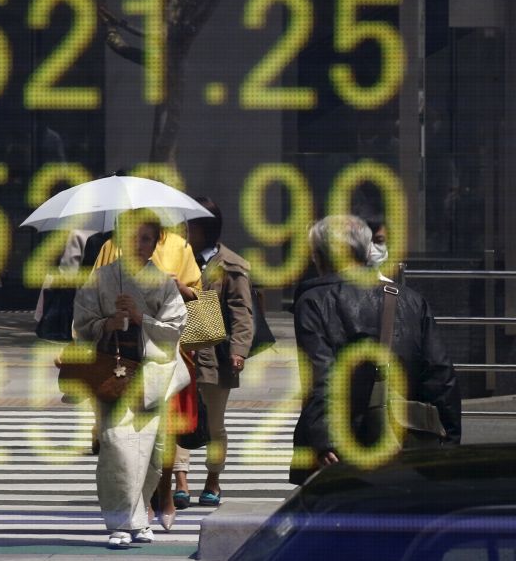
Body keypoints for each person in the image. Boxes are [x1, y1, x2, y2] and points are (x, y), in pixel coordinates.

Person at [290, 215, 462, 485]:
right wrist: (449, 442)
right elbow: (441, 374)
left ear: (320, 256)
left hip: (341, 446)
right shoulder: (410, 300)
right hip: (405, 440)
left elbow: (319, 375)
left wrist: (324, 440)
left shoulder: (314, 302)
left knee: (342, 521)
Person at [74, 209, 189, 549]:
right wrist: (107, 323)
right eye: (132, 237)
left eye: (146, 238)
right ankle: (119, 522)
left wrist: (141, 318)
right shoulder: (100, 278)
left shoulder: (164, 284)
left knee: (152, 453)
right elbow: (82, 322)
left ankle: (137, 518)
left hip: (151, 374)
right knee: (116, 446)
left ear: (156, 242)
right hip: (112, 372)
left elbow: (176, 327)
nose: (139, 244)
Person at [93, 219, 201, 529]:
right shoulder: (110, 248)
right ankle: (136, 503)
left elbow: (201, 300)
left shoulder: (180, 246)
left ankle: (164, 494)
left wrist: (179, 287)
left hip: (165, 356)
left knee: (163, 435)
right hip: (120, 358)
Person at [171, 197, 254, 508]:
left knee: (214, 424)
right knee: (179, 418)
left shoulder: (231, 265)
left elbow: (241, 313)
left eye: (189, 224)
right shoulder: (173, 258)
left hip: (213, 355)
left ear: (205, 227)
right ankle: (181, 481)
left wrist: (239, 352)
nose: (183, 229)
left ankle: (213, 480)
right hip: (176, 351)